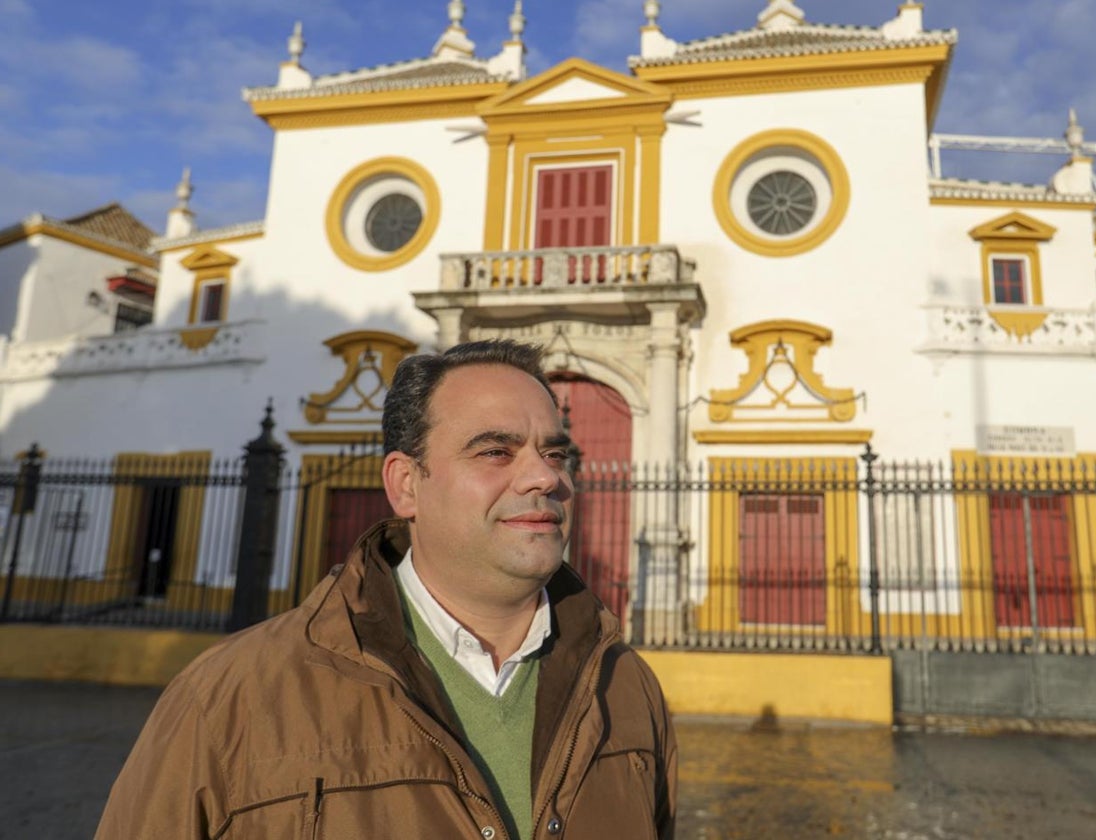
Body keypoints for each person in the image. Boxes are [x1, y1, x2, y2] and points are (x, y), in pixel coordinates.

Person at [97, 338, 676, 839]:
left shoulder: (627, 686)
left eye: (555, 452)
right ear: (405, 485)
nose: (546, 476)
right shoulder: (229, 697)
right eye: (495, 451)